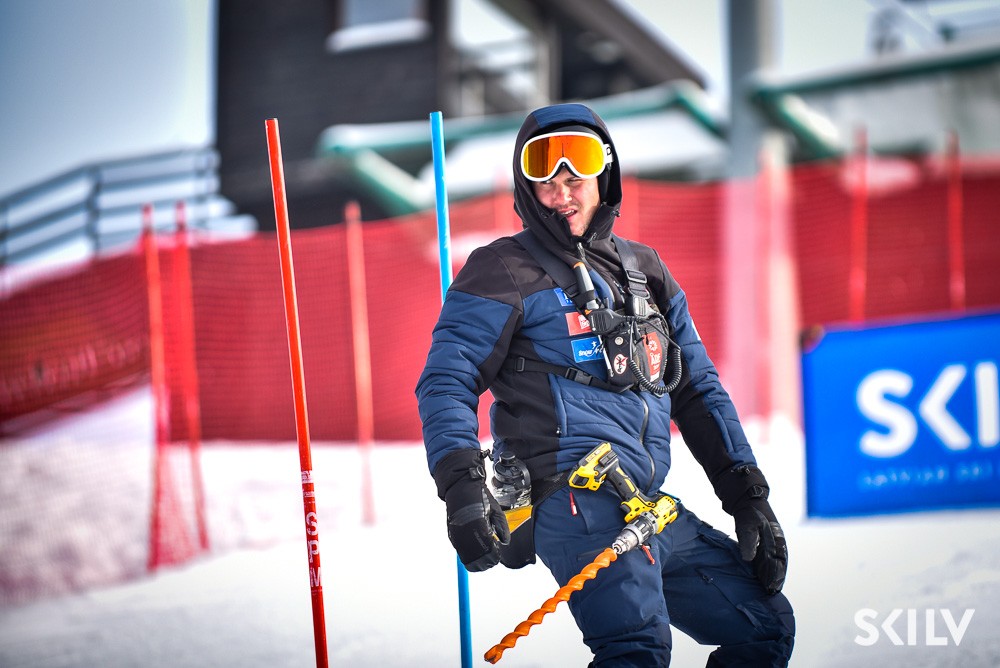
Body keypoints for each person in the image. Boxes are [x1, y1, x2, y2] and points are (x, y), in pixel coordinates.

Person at [416, 103, 794, 666]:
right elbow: (447, 380)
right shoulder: (501, 269)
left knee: (762, 625)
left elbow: (698, 390)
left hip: (645, 503)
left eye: (577, 176)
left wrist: (747, 495)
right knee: (636, 650)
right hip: (573, 500)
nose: (562, 193)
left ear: (604, 176)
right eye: (546, 181)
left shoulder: (645, 270)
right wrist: (462, 488)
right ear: (526, 188)